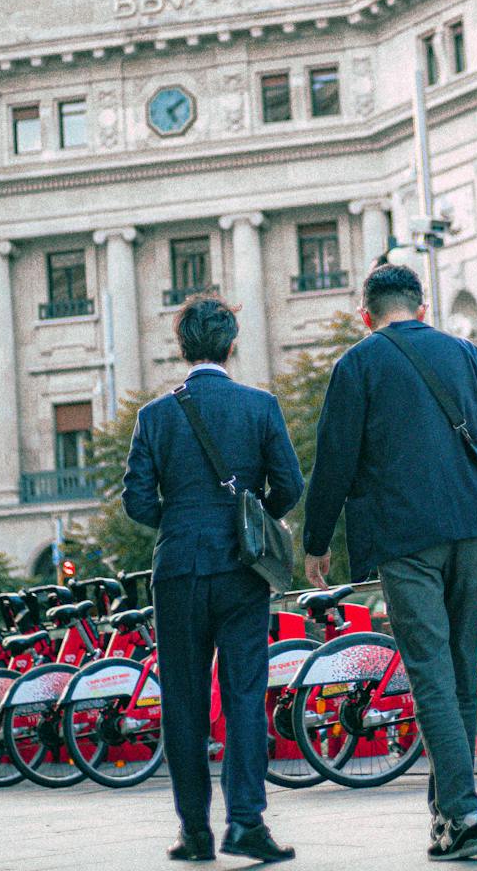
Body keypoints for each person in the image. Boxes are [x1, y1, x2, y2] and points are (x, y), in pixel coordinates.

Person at [303, 263, 477, 862]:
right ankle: (448, 811)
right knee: (458, 671)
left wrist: (316, 540)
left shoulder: (357, 364)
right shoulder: (465, 354)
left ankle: (464, 813)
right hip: (474, 530)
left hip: (405, 537)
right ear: (422, 307)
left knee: (431, 672)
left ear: (366, 314)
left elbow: (334, 459)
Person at [123, 294, 302, 864]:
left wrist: (178, 521)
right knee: (245, 695)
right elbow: (291, 486)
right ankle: (247, 823)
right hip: (241, 571)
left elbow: (135, 500)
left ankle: (193, 832)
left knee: (182, 700)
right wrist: (253, 517)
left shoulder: (154, 416)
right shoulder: (259, 406)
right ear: (231, 345)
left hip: (176, 569)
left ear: (181, 349)